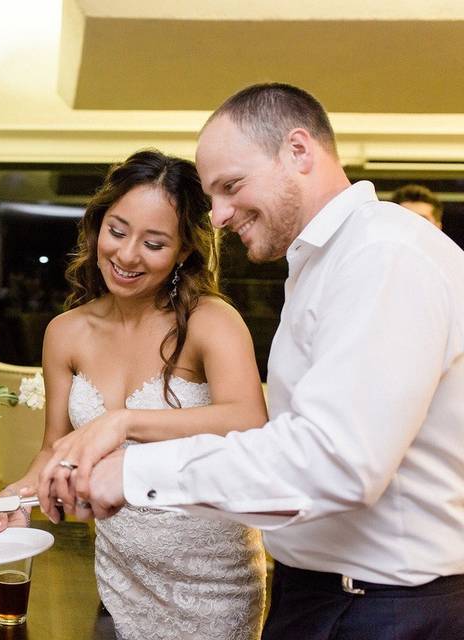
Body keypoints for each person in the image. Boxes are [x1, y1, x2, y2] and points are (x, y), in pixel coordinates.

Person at [40, 83, 464, 640]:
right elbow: (294, 436)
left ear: (299, 151)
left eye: (231, 186)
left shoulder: (383, 255)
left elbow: (335, 459)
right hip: (318, 591)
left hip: (384, 608)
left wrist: (135, 467)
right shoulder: (323, 265)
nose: (216, 216)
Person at [0, 149, 270, 640]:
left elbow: (249, 421)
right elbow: (56, 443)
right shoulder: (65, 332)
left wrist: (124, 422)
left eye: (154, 243)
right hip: (119, 575)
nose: (127, 254)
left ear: (184, 251)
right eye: (116, 231)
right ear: (97, 226)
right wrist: (20, 494)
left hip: (213, 585)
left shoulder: (211, 321)